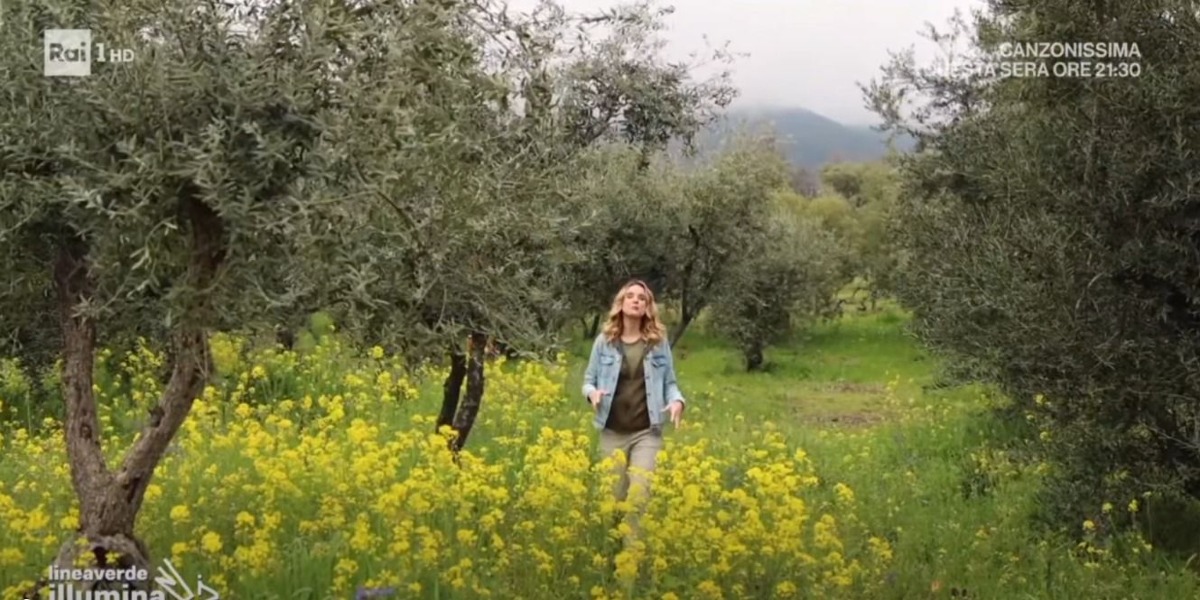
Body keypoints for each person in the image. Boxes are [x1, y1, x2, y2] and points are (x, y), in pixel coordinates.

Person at [582, 279, 686, 520]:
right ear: (621, 303)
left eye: (642, 298)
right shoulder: (604, 342)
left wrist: (678, 401)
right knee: (611, 503)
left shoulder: (657, 343)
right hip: (612, 432)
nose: (636, 300)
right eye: (630, 296)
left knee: (638, 498)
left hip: (646, 432)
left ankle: (632, 557)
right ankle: (610, 553)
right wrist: (592, 393)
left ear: (647, 307)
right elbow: (588, 380)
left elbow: (670, 383)